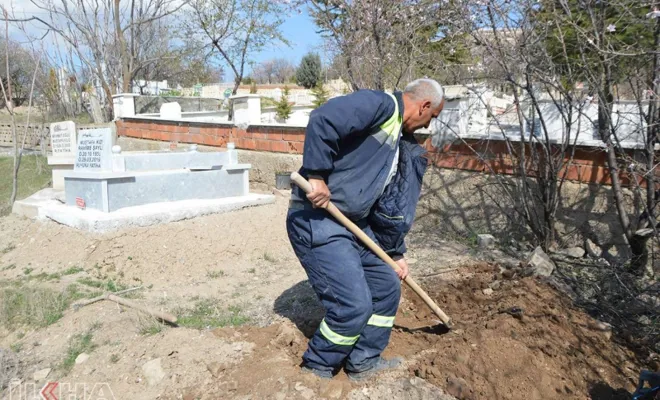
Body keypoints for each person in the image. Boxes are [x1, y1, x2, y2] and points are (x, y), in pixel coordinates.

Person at [286, 79, 445, 380]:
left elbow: (390, 201)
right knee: (353, 307)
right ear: (424, 106)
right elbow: (324, 119)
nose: (427, 126)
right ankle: (317, 367)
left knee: (386, 286)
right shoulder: (381, 106)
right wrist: (317, 175)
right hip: (318, 220)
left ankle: (363, 361)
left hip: (355, 225)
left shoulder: (400, 138)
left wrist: (394, 252)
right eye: (432, 117)